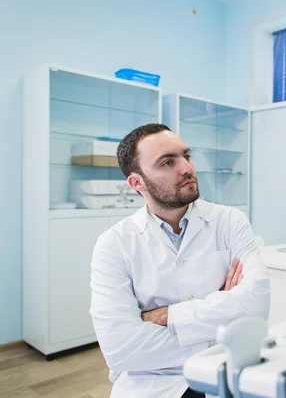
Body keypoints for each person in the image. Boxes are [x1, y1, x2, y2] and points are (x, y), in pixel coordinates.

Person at [89, 123, 270, 398]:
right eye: (167, 162)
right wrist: (222, 317)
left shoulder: (230, 221)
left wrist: (169, 315)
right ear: (137, 183)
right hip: (152, 385)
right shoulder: (113, 244)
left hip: (224, 375)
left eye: (186, 155)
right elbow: (120, 349)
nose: (186, 168)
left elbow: (256, 306)